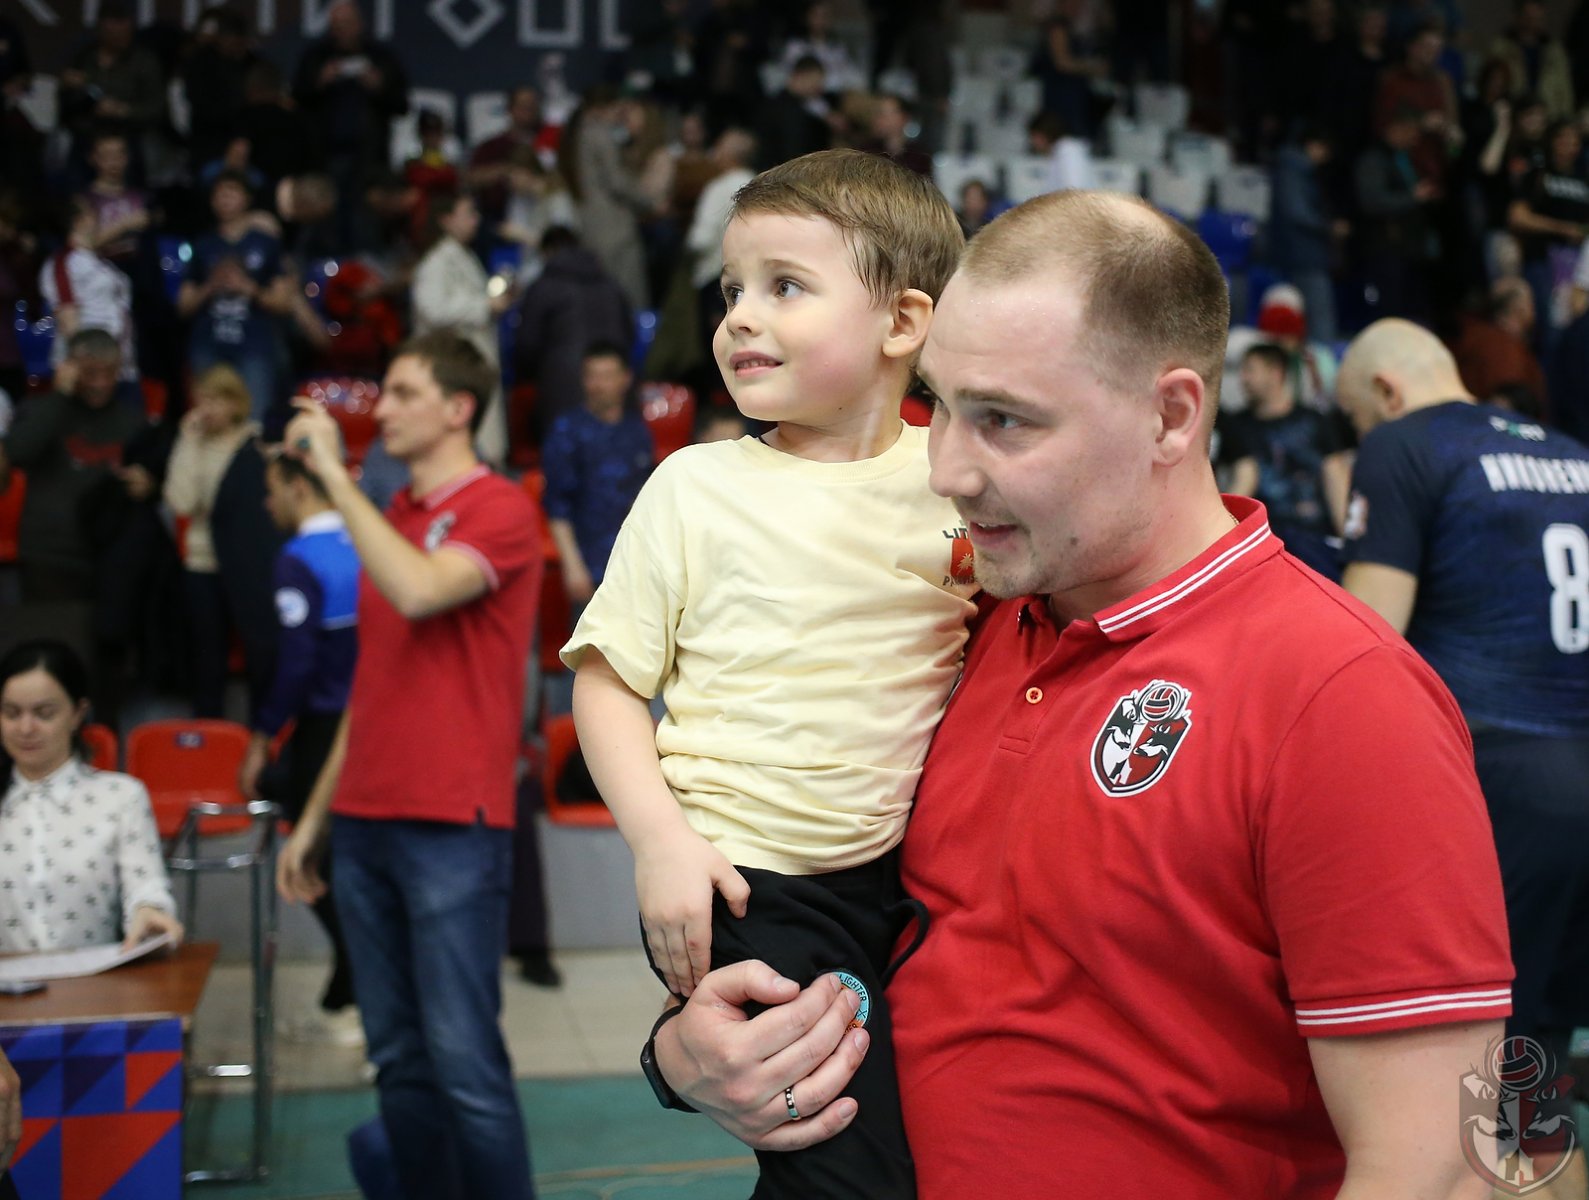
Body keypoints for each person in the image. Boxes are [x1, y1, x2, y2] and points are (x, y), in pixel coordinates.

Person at [647, 190, 1513, 1198]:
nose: (946, 468)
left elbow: (1436, 1163)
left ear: (1169, 417)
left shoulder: (1338, 696)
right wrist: (684, 1056)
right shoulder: (954, 624)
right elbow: (825, 914)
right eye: (940, 405)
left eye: (1003, 420)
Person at [565, 148, 976, 1198]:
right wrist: (661, 845)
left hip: (907, 880)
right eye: (731, 291)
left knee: (932, 1144)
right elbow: (607, 681)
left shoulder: (955, 481)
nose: (740, 316)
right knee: (841, 1164)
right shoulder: (693, 486)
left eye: (784, 286)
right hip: (751, 882)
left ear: (902, 323)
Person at [275, 330, 541, 1200]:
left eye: (401, 392)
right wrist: (315, 819)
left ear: (458, 409)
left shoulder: (500, 506)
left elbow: (423, 589)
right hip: (363, 820)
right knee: (397, 1059)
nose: (380, 409)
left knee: (463, 1062)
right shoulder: (392, 518)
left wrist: (333, 476)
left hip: (449, 823)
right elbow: (371, 690)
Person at [1337, 320, 1589, 1148]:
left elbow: (1365, 642)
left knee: (1466, 1100)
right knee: (1535, 1080)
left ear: (1385, 392)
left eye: (1356, 419)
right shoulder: (1570, 453)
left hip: (1493, 784)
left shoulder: (1404, 444)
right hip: (1574, 777)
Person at [245, 450, 361, 1043]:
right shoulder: (366, 541)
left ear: (297, 486)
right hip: (370, 724)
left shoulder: (299, 559)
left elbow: (297, 661)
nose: (267, 504)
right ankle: (347, 989)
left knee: (316, 863)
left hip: (324, 730)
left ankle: (357, 990)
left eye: (272, 489)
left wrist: (263, 734)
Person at [0, 639, 182, 954]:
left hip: (96, 979)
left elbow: (145, 884)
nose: (26, 728)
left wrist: (149, 911)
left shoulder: (120, 797)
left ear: (77, 713)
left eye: (44, 713)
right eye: (12, 713)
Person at [164, 364, 263, 718]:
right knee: (207, 653)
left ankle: (261, 729)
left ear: (237, 403)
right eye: (202, 400)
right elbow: (182, 502)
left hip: (248, 561)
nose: (207, 409)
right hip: (203, 560)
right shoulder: (192, 442)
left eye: (217, 400)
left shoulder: (256, 442)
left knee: (258, 647)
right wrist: (188, 442)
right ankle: (207, 726)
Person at [1219, 342, 1351, 579]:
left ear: (1276, 372)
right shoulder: (1236, 426)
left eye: (1251, 370)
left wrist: (1348, 541)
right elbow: (1240, 479)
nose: (1243, 378)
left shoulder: (1315, 421)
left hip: (1317, 540)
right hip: (1264, 543)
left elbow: (1335, 475)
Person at [541, 341, 653, 608]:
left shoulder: (636, 430)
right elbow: (557, 506)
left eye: (607, 376)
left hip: (635, 565)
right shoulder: (566, 429)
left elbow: (645, 496)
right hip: (589, 566)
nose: (599, 385)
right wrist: (573, 566)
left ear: (625, 379)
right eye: (592, 376)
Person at [178, 170, 291, 426]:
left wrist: (248, 288)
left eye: (232, 192)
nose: (226, 199)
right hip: (208, 344)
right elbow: (183, 306)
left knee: (254, 421)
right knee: (205, 420)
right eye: (219, 194)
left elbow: (284, 303)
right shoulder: (203, 244)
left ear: (247, 198)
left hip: (254, 346)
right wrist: (211, 286)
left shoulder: (266, 243)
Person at [410, 190, 512, 467]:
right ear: (445, 220)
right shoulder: (436, 262)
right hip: (454, 365)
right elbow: (432, 309)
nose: (475, 220)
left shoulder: (463, 255)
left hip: (472, 361)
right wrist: (485, 305)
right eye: (468, 214)